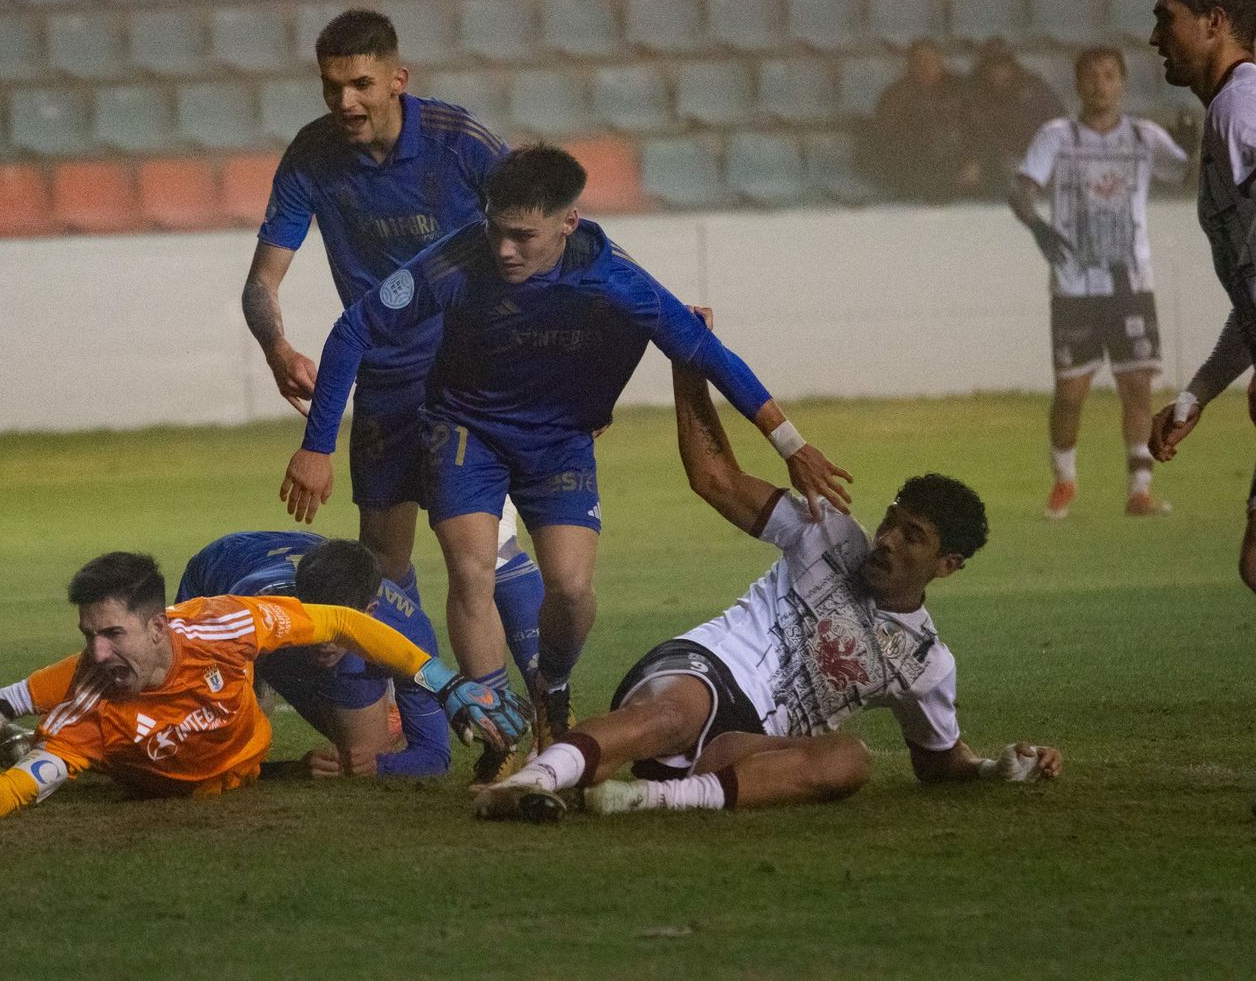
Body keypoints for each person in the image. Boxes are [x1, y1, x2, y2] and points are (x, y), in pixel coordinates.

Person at [280, 144, 852, 771]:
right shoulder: (457, 258)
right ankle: (496, 729)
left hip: (557, 441)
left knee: (574, 591)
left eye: (523, 237)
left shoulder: (611, 275)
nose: (503, 250)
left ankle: (551, 687)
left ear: (567, 223)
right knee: (472, 572)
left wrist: (789, 443)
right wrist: (316, 447)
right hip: (464, 429)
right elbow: (355, 328)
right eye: (497, 230)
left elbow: (704, 351)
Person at [474, 348, 1062, 822]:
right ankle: (536, 778)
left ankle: (643, 798)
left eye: (913, 536)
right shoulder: (829, 532)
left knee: (850, 761)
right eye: (891, 521)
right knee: (677, 715)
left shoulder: (926, 662)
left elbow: (938, 763)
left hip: (744, 748)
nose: (886, 540)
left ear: (948, 564)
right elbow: (716, 478)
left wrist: (999, 766)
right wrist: (688, 365)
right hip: (703, 670)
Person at [241, 8, 546, 703]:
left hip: (471, 373)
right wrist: (275, 344)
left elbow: (538, 232)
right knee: (381, 560)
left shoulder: (459, 143)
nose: (344, 101)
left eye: (360, 83)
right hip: (382, 378)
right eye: (331, 87)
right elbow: (263, 282)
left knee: (484, 551)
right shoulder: (312, 155)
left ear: (397, 80)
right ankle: (426, 715)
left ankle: (548, 712)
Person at [0, 551, 529, 829]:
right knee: (94, 690)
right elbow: (29, 782)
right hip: (168, 780)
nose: (96, 648)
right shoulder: (93, 705)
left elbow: (338, 621)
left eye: (112, 631)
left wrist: (445, 683)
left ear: (158, 621)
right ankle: (5, 710)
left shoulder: (224, 623)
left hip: (246, 759)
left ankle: (0, 707)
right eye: (88, 633)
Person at [1010, 45, 1188, 520]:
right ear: (1078, 84)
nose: (1100, 84)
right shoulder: (1057, 136)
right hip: (1074, 285)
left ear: (1122, 83)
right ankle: (1065, 480)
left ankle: (1140, 489)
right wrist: (1038, 226)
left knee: (1137, 388)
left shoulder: (1144, 137)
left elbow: (1188, 175)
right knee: (1070, 395)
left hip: (1131, 282)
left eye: (1109, 75)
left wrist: (1196, 151)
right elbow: (1021, 190)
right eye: (1091, 76)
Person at [1147, 0, 1256, 592]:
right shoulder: (1229, 114)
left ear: (1214, 22)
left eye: (1168, 18)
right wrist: (1197, 394)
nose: (1155, 37)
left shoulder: (1239, 112)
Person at [173, 531, 449, 778]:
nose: (325, 643)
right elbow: (207, 763)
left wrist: (384, 766)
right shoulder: (247, 615)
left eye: (338, 627)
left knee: (364, 753)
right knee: (206, 731)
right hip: (221, 571)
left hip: (283, 628)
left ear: (370, 613)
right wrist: (285, 770)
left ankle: (376, 708)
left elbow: (434, 755)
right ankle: (263, 679)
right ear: (298, 601)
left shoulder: (409, 628)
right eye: (319, 621)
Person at [863, 38, 972, 202]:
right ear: (910, 65)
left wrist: (974, 161)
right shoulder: (896, 95)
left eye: (931, 61)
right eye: (920, 61)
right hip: (918, 166)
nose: (926, 67)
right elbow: (885, 138)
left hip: (960, 162)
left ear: (940, 62)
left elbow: (978, 129)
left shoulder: (960, 89)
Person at [961, 38, 1066, 196]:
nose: (997, 71)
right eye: (991, 65)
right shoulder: (971, 94)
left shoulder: (1036, 89)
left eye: (1002, 64)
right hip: (993, 163)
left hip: (1034, 158)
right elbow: (970, 134)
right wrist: (975, 159)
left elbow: (1059, 125)